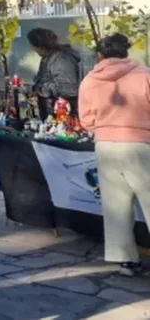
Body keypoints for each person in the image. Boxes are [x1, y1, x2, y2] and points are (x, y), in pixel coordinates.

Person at [79, 34, 150, 277]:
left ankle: (126, 261)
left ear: (100, 55)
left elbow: (86, 121)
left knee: (116, 205)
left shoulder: (89, 80)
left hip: (106, 145)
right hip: (141, 145)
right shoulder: (144, 75)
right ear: (126, 51)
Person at [27, 27, 82, 120]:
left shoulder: (61, 59)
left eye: (33, 45)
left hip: (62, 114)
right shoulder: (48, 57)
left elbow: (68, 88)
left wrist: (40, 89)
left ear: (40, 46)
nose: (32, 49)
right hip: (52, 113)